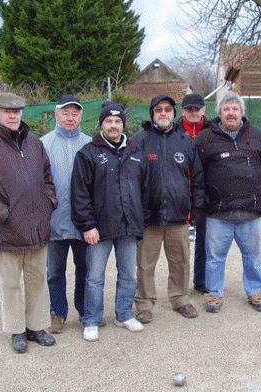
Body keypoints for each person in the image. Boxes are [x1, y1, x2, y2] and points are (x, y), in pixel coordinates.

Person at [0, 92, 57, 353]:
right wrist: (4, 213)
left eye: (16, 111)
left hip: (37, 228)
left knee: (37, 279)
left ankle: (36, 326)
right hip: (8, 230)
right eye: (7, 111)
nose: (12, 115)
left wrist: (47, 203)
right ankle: (17, 331)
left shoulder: (35, 143)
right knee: (11, 284)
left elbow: (48, 178)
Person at [71, 102, 146, 341]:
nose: (113, 126)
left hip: (128, 227)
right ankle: (91, 319)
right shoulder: (88, 153)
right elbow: (79, 193)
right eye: (108, 121)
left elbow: (144, 189)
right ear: (101, 124)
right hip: (98, 229)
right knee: (94, 277)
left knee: (128, 275)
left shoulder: (135, 151)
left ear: (123, 124)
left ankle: (123, 314)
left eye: (117, 121)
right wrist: (87, 225)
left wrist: (139, 220)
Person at [196, 91, 261, 313]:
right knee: (214, 257)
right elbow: (198, 171)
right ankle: (214, 294)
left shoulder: (257, 136)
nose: (231, 113)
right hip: (218, 214)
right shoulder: (206, 138)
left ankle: (256, 291)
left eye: (235, 109)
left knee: (253, 256)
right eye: (226, 109)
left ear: (242, 112)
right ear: (219, 113)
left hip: (250, 212)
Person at [131, 94, 204, 324]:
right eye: (159, 109)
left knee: (180, 261)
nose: (164, 113)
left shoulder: (186, 141)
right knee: (144, 264)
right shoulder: (139, 141)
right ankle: (144, 302)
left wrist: (194, 209)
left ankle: (180, 298)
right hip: (148, 217)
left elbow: (198, 179)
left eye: (168, 109)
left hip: (178, 216)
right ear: (152, 113)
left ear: (174, 113)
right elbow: (130, 179)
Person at [40, 95, 92, 333]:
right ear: (56, 114)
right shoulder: (42, 144)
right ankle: (57, 313)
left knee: (85, 270)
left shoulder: (91, 144)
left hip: (85, 224)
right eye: (66, 113)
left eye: (75, 113)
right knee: (55, 272)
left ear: (80, 116)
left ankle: (84, 311)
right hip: (55, 221)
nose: (70, 118)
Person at [176, 93, 214, 293]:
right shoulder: (174, 130)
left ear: (204, 110)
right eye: (189, 108)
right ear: (182, 110)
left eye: (197, 108)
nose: (193, 112)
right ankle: (179, 287)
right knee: (179, 244)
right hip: (180, 193)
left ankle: (202, 281)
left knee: (205, 240)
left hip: (205, 193)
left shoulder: (213, 131)